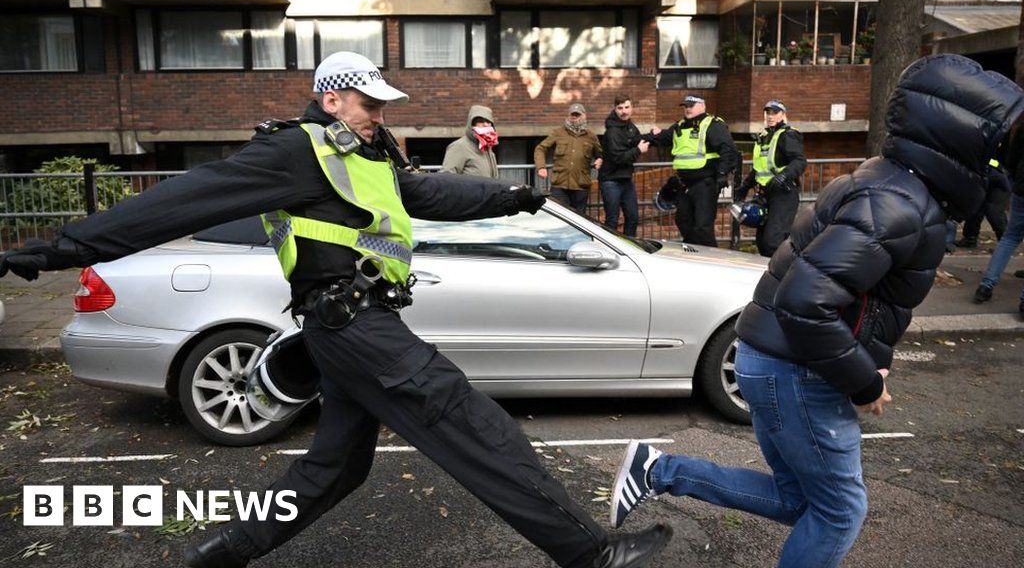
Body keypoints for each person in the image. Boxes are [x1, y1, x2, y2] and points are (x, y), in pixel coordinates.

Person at [0, 52, 672, 568]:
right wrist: (54, 250)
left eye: (382, 103)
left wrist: (519, 201)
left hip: (344, 329)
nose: (380, 113)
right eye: (369, 102)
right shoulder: (297, 148)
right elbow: (174, 203)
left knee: (335, 469)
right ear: (332, 98)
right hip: (355, 326)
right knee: (467, 419)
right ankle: (588, 552)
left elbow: (427, 198)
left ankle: (225, 552)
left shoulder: (365, 154)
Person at [609, 54, 1024, 567]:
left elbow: (865, 294)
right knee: (840, 511)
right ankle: (661, 471)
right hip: (795, 370)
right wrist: (865, 382)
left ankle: (659, 470)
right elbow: (806, 303)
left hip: (776, 360)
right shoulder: (897, 202)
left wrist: (872, 356)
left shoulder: (894, 186)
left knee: (801, 502)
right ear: (963, 139)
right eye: (1001, 142)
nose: (1006, 157)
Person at [648, 95, 740, 246]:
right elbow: (662, 138)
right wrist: (637, 139)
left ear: (703, 106)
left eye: (691, 105)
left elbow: (728, 150)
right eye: (685, 106)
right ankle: (693, 253)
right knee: (683, 220)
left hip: (706, 183)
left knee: (703, 226)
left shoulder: (712, 124)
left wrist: (723, 174)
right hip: (685, 184)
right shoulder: (680, 126)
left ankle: (711, 259)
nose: (687, 109)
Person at [733, 100, 806, 257]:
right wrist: (745, 186)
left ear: (783, 115)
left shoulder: (788, 135)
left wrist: (784, 175)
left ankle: (783, 274)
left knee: (773, 240)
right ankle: (767, 274)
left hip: (783, 193)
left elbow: (799, 161)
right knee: (761, 241)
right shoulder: (763, 137)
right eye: (768, 113)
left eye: (775, 113)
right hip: (765, 194)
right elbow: (759, 168)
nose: (770, 116)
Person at [973, 156, 1024, 320]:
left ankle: (985, 286)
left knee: (1009, 238)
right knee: (1010, 237)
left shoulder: (1019, 129)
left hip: (1021, 187)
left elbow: (1010, 155)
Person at [535, 103, 603, 214]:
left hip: (580, 186)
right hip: (559, 185)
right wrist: (541, 167)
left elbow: (600, 154)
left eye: (578, 115)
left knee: (579, 219)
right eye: (573, 115)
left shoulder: (591, 136)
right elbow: (540, 148)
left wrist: (600, 159)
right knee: (558, 218)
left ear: (584, 116)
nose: (575, 117)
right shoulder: (558, 132)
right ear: (568, 116)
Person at [599, 94, 648, 236]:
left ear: (632, 108)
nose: (624, 111)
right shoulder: (612, 132)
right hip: (611, 181)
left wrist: (654, 135)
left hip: (626, 180)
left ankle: (629, 248)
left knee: (633, 217)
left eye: (627, 107)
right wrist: (638, 150)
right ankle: (611, 250)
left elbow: (639, 140)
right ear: (615, 109)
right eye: (620, 108)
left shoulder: (630, 127)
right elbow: (618, 158)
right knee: (612, 220)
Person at [955, 159, 1010, 248]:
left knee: (993, 212)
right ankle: (970, 239)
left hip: (997, 182)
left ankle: (1005, 244)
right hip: (984, 178)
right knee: (975, 208)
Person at [441, 104, 499, 178]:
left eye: (488, 121)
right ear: (471, 124)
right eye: (480, 121)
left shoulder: (488, 149)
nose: (485, 124)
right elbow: (446, 178)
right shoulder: (459, 146)